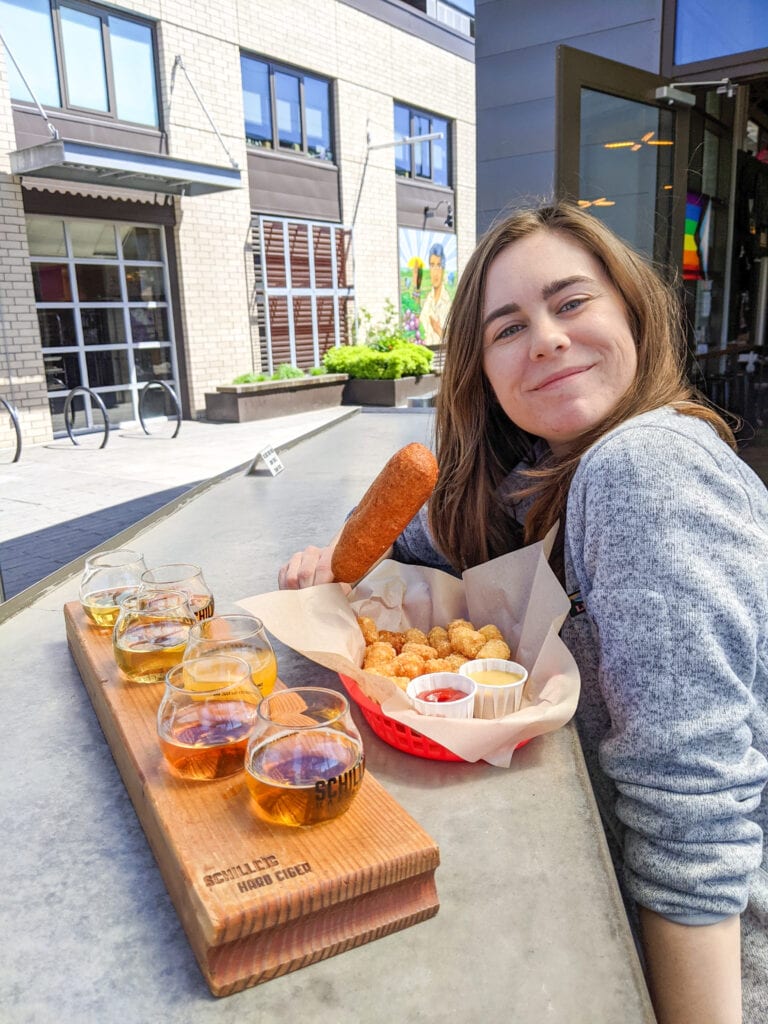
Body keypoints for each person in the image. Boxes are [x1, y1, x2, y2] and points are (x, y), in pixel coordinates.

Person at [278, 202, 768, 1023]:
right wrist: (339, 561)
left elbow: (695, 816)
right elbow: (439, 535)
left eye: (572, 303)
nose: (544, 338)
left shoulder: (642, 469)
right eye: (508, 329)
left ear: (633, 311)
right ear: (484, 371)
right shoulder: (543, 471)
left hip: (699, 971)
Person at [418, 242, 452, 345]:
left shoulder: (448, 303)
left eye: (439, 265)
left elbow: (456, 340)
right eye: (432, 265)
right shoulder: (428, 300)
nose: (435, 271)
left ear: (443, 269)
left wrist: (438, 330)